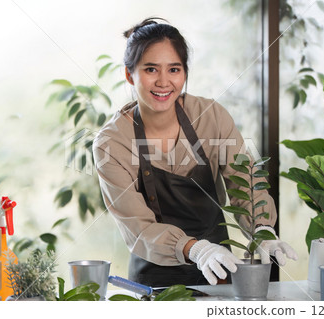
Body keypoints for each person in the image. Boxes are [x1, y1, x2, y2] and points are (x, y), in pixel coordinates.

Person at [93, 18, 297, 287]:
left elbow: (245, 180)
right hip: (155, 282)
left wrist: (262, 229)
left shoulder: (209, 117)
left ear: (185, 73)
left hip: (218, 269)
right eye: (151, 69)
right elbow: (138, 227)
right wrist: (196, 249)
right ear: (130, 75)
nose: (164, 82)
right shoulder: (112, 143)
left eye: (174, 69)